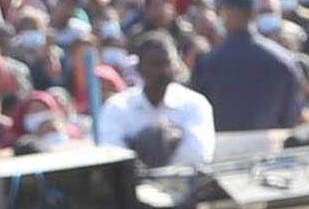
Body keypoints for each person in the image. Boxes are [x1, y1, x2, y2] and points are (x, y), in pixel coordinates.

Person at [188, 0, 307, 133]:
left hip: (222, 150)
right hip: (269, 150)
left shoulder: (208, 63)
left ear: (226, 13)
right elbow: (292, 116)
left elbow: (198, 116)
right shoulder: (283, 60)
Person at [92, 29, 217, 168]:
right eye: (154, 64)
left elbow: (198, 155)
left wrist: (134, 146)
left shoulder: (195, 104)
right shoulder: (117, 107)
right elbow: (112, 159)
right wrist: (150, 141)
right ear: (139, 68)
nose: (162, 71)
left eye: (167, 63)